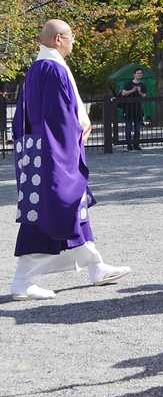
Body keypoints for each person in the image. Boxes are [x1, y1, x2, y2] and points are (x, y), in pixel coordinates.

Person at [11, 19, 130, 300]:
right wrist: (71, 145)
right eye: (71, 36)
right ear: (57, 40)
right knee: (52, 209)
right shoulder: (52, 68)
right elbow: (62, 116)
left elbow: (22, 119)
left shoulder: (37, 68)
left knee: (70, 208)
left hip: (41, 151)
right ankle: (22, 279)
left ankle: (95, 265)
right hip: (54, 152)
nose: (74, 40)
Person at [119, 67, 147, 151]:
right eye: (137, 73)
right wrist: (133, 90)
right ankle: (129, 145)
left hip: (138, 108)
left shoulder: (143, 85)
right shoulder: (128, 83)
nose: (139, 75)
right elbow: (123, 93)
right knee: (128, 127)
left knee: (137, 128)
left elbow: (144, 96)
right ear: (134, 74)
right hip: (128, 108)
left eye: (140, 73)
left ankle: (136, 144)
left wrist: (139, 91)